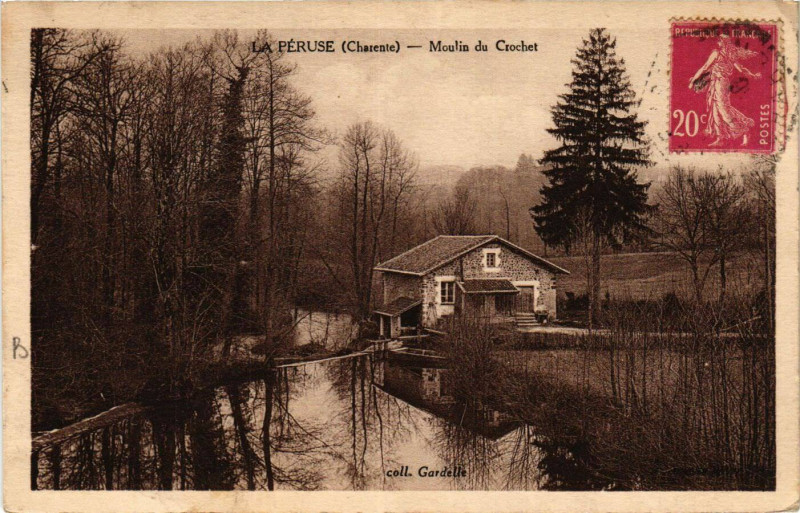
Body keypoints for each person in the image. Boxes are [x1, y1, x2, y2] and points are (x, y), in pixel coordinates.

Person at [689, 35, 761, 146]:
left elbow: (704, 67)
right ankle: (720, 138)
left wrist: (693, 81)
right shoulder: (728, 55)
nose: (718, 43)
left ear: (722, 43)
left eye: (720, 41)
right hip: (716, 83)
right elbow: (741, 69)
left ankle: (744, 130)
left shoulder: (719, 54)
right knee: (715, 109)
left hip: (721, 83)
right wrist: (753, 75)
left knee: (723, 109)